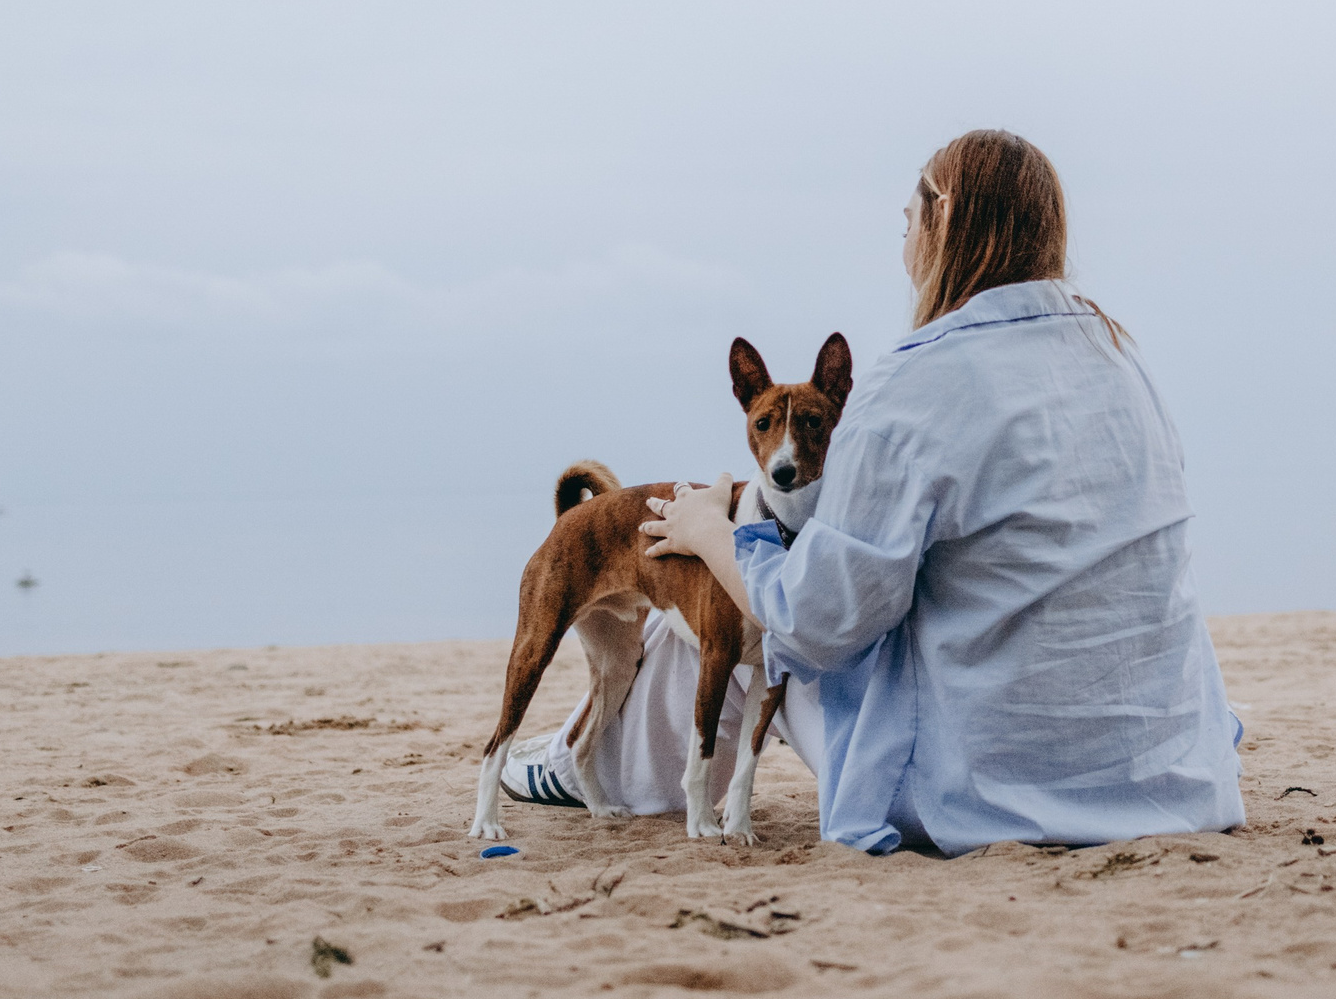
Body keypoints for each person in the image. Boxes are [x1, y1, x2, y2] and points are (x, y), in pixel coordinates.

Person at [503, 129, 1245, 852]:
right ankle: (586, 749)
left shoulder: (918, 381)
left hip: (983, 792)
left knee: (713, 601)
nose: (904, 241)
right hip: (1166, 772)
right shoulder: (1121, 359)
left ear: (941, 217)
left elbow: (815, 621)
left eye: (906, 220)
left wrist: (711, 531)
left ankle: (587, 764)